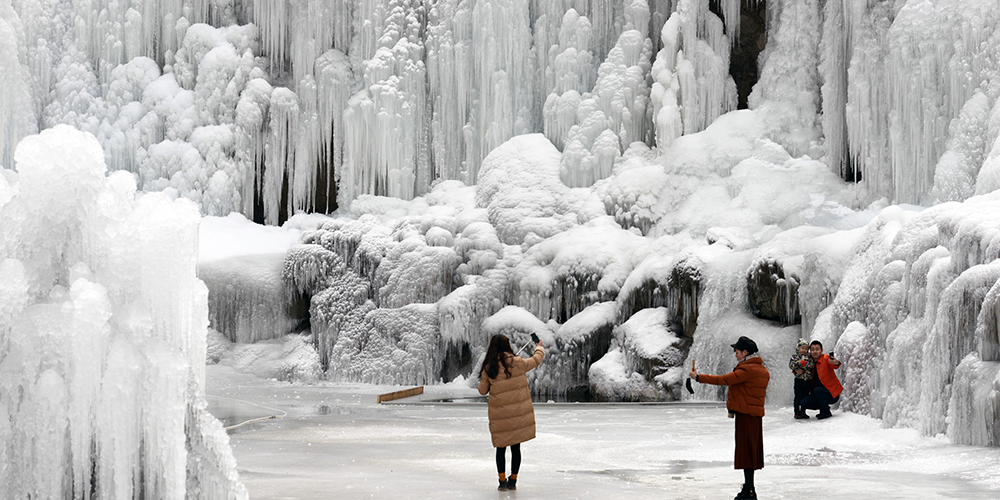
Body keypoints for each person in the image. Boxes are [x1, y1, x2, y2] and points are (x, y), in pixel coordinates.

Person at [690, 336, 770, 500]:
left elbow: (724, 380)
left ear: (745, 352)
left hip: (746, 415)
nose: (735, 355)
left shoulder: (747, 370)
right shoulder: (762, 369)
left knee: (746, 453)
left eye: (737, 351)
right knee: (750, 452)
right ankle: (749, 488)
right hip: (754, 416)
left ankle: (749, 491)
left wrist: (698, 377)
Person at [478, 334, 545, 491]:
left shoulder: (490, 368)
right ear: (508, 346)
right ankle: (513, 480)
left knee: (500, 449)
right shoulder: (518, 363)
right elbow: (536, 360)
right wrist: (539, 347)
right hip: (517, 415)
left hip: (499, 417)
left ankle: (502, 481)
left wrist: (484, 376)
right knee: (516, 448)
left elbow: (482, 391)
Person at [799, 340, 842, 419]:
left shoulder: (825, 358)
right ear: (810, 351)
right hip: (818, 394)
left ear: (821, 351)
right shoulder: (809, 362)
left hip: (832, 394)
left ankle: (826, 412)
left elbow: (834, 364)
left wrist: (836, 362)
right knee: (803, 402)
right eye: (812, 349)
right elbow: (797, 366)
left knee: (817, 390)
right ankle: (823, 408)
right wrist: (795, 371)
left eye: (817, 349)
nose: (815, 351)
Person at [788, 338, 814, 419]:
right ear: (798, 348)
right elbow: (790, 365)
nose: (804, 350)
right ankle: (796, 412)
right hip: (799, 379)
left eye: (806, 348)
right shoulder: (795, 356)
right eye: (802, 348)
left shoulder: (809, 356)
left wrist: (807, 365)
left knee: (805, 396)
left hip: (808, 379)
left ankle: (803, 412)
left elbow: (813, 366)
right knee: (798, 396)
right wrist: (798, 364)